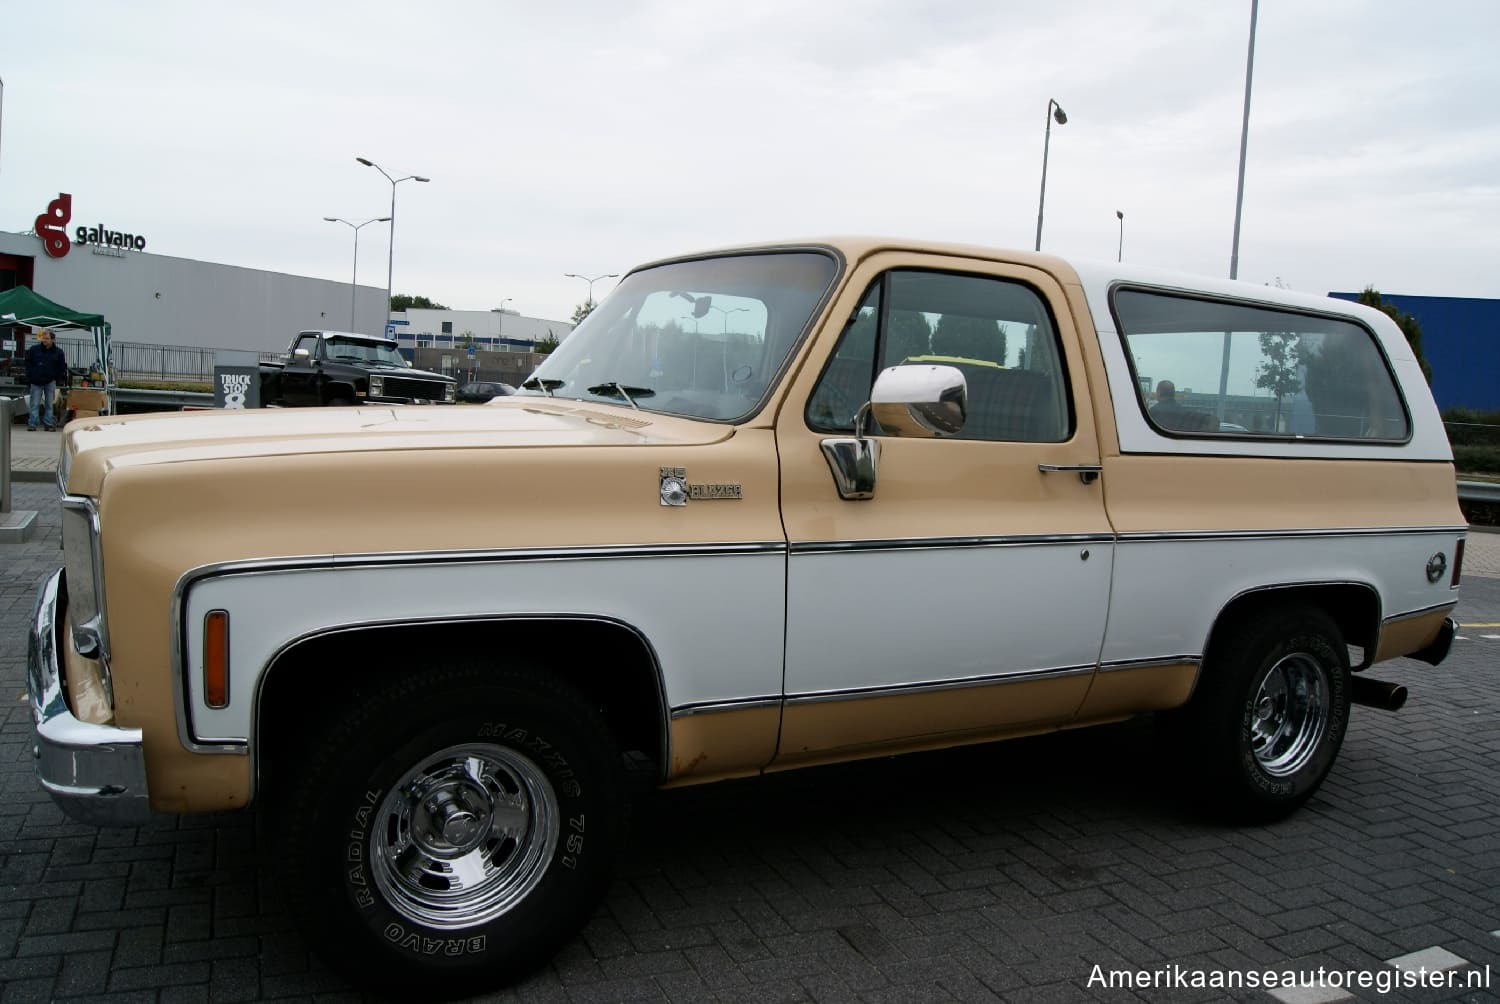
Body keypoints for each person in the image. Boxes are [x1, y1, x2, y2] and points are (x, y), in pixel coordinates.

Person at [24, 327, 70, 431]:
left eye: (47, 338)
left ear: (53, 339)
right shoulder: (34, 349)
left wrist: (55, 376)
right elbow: (27, 362)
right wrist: (30, 374)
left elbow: (62, 366)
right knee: (34, 403)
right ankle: (32, 424)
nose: (44, 340)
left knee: (49, 404)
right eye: (43, 338)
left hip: (50, 381)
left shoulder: (58, 352)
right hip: (36, 381)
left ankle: (48, 424)